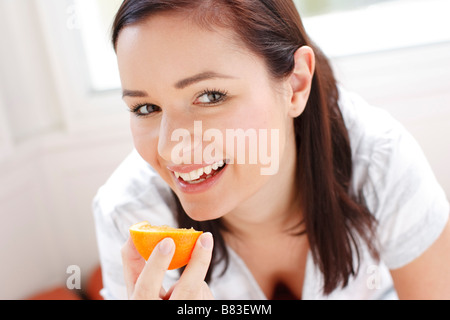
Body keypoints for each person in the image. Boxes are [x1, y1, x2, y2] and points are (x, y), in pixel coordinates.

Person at [93, 0, 450, 300]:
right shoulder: (128, 214)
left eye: (210, 96)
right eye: (145, 108)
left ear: (295, 85)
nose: (171, 147)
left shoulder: (381, 164)